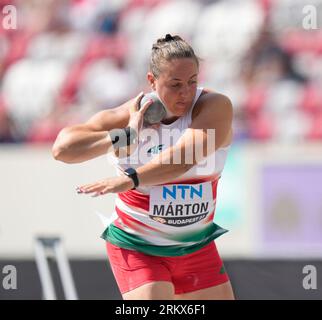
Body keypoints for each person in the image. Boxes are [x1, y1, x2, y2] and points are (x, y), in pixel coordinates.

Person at [52, 34, 235, 300]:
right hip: (137, 246)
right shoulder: (127, 115)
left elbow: (184, 158)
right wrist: (122, 137)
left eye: (192, 82)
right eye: (175, 84)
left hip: (195, 247)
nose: (185, 93)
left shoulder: (214, 106)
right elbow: (62, 149)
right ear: (152, 81)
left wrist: (131, 179)